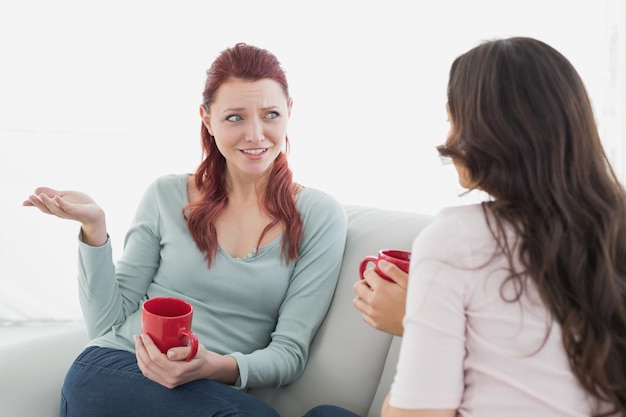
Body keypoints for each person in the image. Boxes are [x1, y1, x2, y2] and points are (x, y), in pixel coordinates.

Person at [304, 36, 626, 417]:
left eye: (451, 119)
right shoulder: (612, 227)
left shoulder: (458, 238)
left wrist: (414, 322)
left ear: (486, 131)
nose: (448, 139)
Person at [23, 42, 348, 417]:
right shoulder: (166, 195)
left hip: (210, 393)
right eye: (235, 118)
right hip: (112, 371)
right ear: (207, 120)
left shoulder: (319, 216)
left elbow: (289, 354)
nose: (256, 135)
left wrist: (214, 366)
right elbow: (105, 325)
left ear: (290, 113)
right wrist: (93, 228)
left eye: (271, 114)